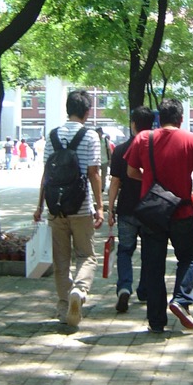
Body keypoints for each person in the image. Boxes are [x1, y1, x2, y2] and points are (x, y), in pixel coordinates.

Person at [125, 99, 193, 333]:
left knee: (153, 266)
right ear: (181, 119)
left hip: (152, 213)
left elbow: (131, 171)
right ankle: (181, 299)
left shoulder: (144, 138)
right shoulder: (192, 140)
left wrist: (150, 183)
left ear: (158, 119)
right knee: (190, 258)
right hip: (183, 211)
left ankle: (156, 321)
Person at [33, 90, 104, 328]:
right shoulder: (90, 136)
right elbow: (94, 173)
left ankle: (64, 307)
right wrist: (100, 207)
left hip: (56, 207)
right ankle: (80, 291)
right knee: (87, 256)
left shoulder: (52, 135)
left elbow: (46, 175)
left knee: (61, 259)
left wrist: (39, 206)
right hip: (81, 207)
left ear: (67, 109)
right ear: (87, 111)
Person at [107, 106, 155, 312]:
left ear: (133, 124)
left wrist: (110, 208)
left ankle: (124, 287)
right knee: (148, 251)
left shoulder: (120, 150)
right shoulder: (155, 148)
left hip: (126, 208)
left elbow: (115, 182)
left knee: (125, 250)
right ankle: (144, 290)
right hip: (150, 208)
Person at [96, 126, 112, 192]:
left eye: (100, 133)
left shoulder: (105, 140)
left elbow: (109, 150)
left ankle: (102, 188)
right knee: (97, 175)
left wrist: (110, 159)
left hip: (105, 160)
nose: (99, 134)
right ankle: (97, 187)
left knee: (104, 175)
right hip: (96, 161)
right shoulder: (95, 140)